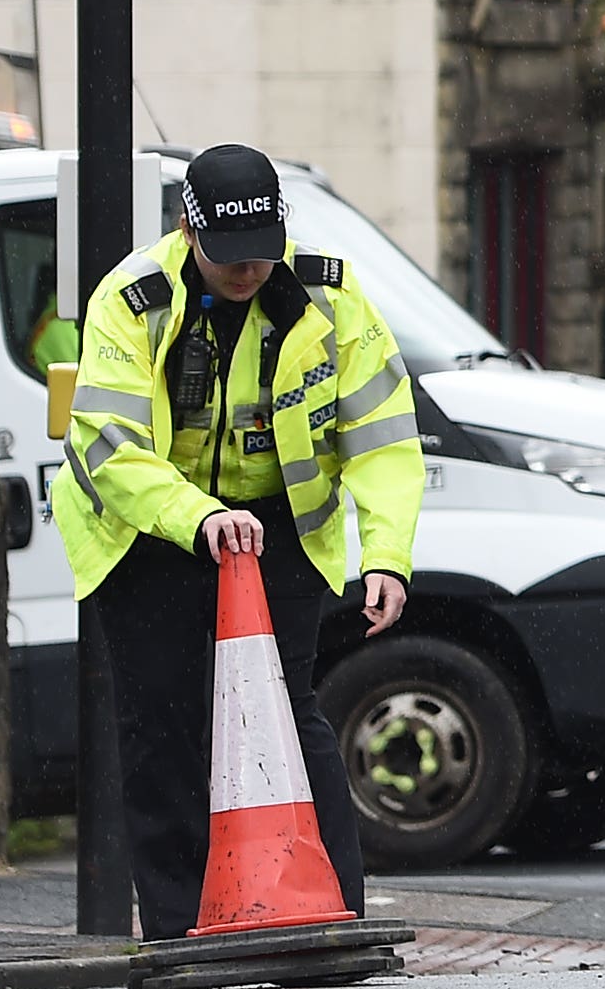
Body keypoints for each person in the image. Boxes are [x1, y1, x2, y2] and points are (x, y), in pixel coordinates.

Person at [57, 143, 425, 940]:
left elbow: (384, 436)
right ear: (188, 231)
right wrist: (195, 516)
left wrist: (387, 555)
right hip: (146, 531)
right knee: (162, 723)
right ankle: (177, 927)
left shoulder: (328, 294)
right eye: (228, 256)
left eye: (260, 252)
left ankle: (333, 914)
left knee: (290, 714)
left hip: (280, 523)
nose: (246, 271)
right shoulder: (134, 298)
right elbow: (109, 444)